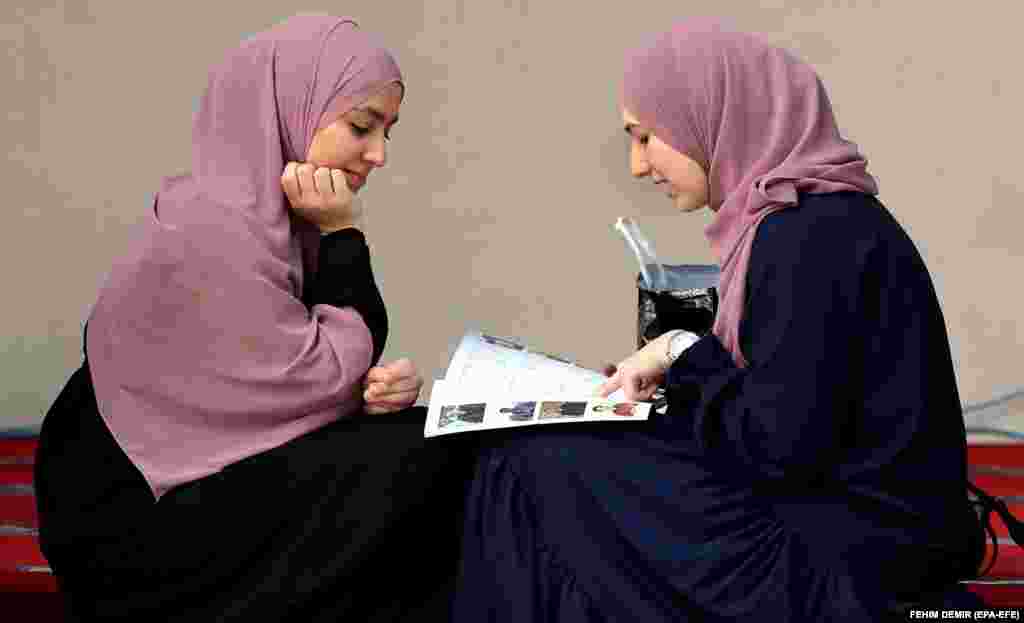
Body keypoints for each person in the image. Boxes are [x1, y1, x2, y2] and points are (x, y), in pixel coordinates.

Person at [452, 18, 987, 622]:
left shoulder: (808, 234)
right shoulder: (805, 218)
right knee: (551, 455)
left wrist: (680, 351)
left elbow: (775, 448)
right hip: (847, 525)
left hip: (851, 555)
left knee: (531, 469)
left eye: (646, 136)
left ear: (714, 115)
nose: (636, 164)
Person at [33, 14, 474, 622]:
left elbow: (300, 377)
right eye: (362, 127)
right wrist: (345, 236)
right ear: (288, 108)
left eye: (387, 132)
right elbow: (324, 371)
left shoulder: (265, 222)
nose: (378, 155)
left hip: (185, 482)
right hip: (130, 528)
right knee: (420, 462)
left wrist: (357, 393)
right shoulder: (212, 227)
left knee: (419, 453)